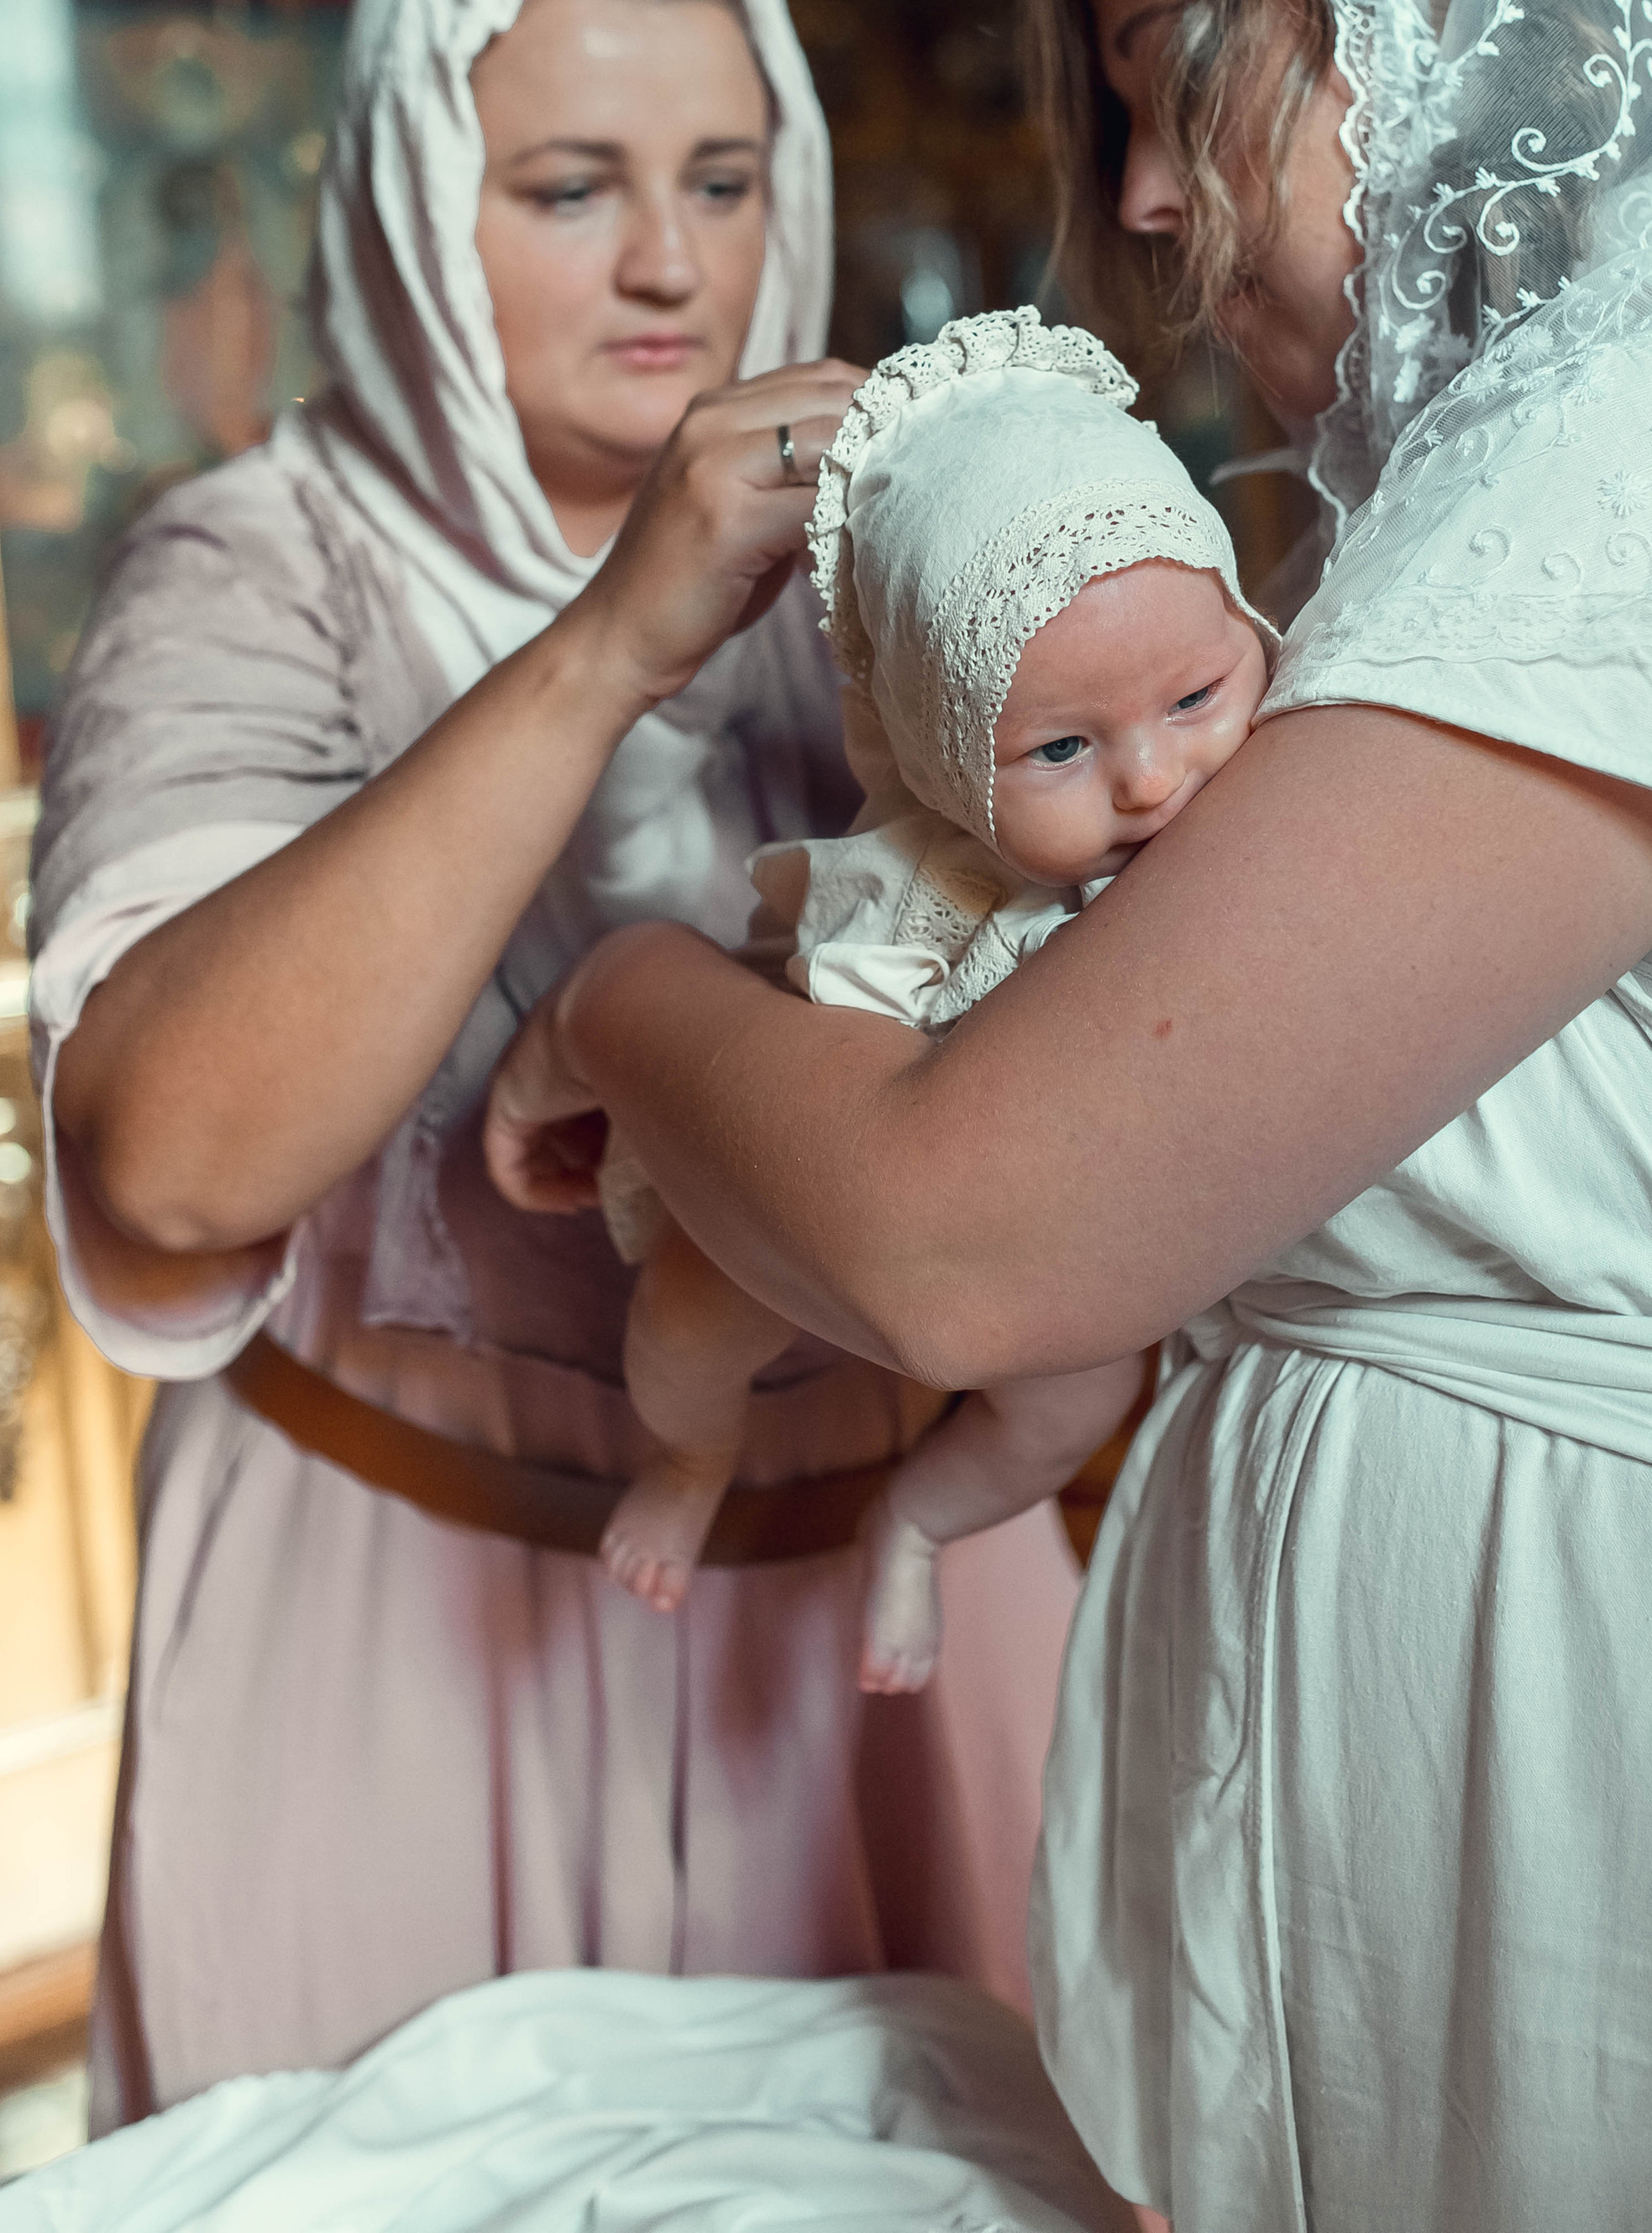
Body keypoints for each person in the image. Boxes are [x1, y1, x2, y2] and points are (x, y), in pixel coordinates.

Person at [483, 0, 1652, 2233]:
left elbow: (971, 1235)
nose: (1129, 200)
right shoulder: (1551, 452)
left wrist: (615, 1001)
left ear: (1419, 22)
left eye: (1163, 69)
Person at [30, 0, 1079, 2131]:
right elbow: (176, 1154)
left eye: (723, 182)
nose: (671, 268)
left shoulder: (899, 547)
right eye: (568, 189)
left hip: (885, 1626)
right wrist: (610, 645)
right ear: (416, 202)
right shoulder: (257, 563)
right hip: (417, 1626)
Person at [490, 305, 1272, 1685]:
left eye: (1197, 696)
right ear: (943, 759)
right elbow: (831, 1110)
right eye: (1062, 748)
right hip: (851, 1198)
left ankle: (914, 1520)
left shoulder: (1274, 797)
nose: (1151, 778)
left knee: (1072, 1402)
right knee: (690, 1315)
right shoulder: (916, 893)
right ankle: (692, 1447)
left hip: (1079, 1245)